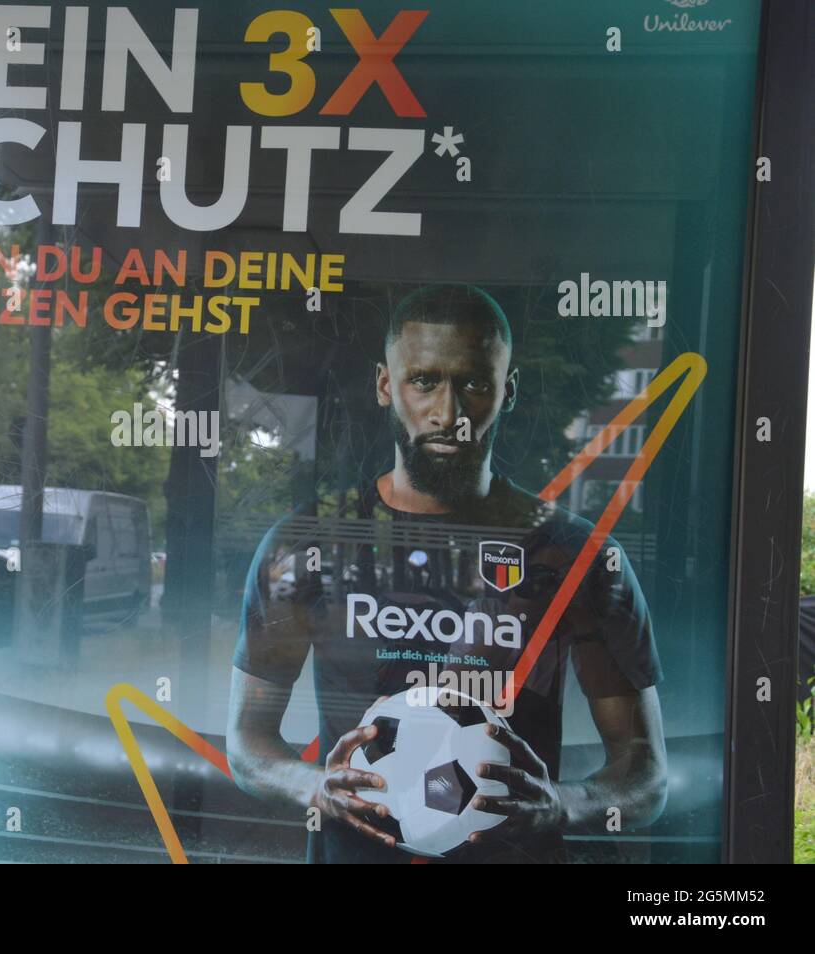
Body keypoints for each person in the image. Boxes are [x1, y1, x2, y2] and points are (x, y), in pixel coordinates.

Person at [226, 284, 668, 863]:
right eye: (424, 381)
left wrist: (563, 803)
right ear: (387, 384)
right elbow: (247, 743)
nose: (448, 413)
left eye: (475, 383)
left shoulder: (574, 556)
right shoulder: (307, 544)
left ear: (507, 391)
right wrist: (314, 786)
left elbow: (645, 772)